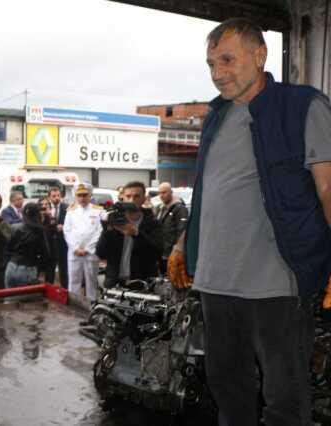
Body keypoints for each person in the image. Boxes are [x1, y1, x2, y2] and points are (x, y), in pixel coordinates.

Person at [167, 18, 331, 426]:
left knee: (284, 402)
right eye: (210, 64)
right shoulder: (216, 117)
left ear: (260, 56)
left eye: (227, 60)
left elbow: (328, 190)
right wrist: (183, 243)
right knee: (227, 392)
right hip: (216, 283)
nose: (217, 73)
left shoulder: (302, 106)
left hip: (277, 284)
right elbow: (209, 192)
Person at [96, 181, 162, 286]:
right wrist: (107, 230)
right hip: (114, 282)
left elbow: (156, 253)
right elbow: (101, 253)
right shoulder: (115, 220)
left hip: (142, 282)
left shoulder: (152, 222)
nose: (132, 200)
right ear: (123, 198)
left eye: (136, 196)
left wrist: (135, 233)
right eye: (128, 196)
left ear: (143, 199)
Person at [63, 183, 103, 301]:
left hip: (90, 252)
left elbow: (99, 231)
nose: (82, 198)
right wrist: (75, 248)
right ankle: (74, 303)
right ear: (76, 196)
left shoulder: (98, 211)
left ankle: (92, 304)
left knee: (91, 280)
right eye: (79, 195)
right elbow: (67, 230)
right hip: (74, 253)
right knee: (74, 280)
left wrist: (88, 248)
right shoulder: (70, 211)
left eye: (85, 195)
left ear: (90, 195)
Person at [4, 202, 50, 288]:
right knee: (27, 299)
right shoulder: (39, 231)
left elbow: (7, 248)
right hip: (28, 269)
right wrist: (39, 269)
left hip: (11, 267)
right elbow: (46, 254)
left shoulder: (14, 227)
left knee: (9, 299)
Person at [153, 182, 188, 275]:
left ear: (171, 192)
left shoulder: (179, 208)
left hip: (171, 252)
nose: (161, 195)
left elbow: (181, 230)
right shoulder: (160, 208)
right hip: (161, 251)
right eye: (160, 193)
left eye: (164, 192)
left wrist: (176, 250)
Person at [47, 187, 68, 288]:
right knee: (50, 269)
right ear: (49, 197)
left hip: (63, 243)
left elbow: (72, 224)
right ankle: (48, 289)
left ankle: (65, 290)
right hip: (49, 243)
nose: (56, 198)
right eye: (54, 196)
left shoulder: (67, 208)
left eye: (58, 195)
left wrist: (64, 227)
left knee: (64, 269)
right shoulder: (45, 208)